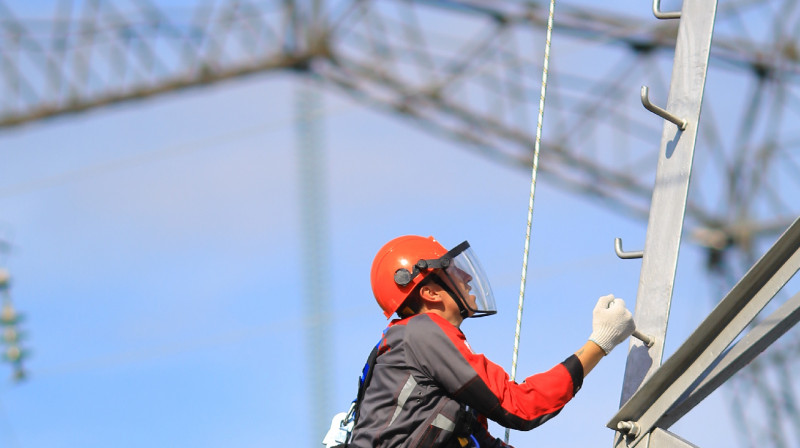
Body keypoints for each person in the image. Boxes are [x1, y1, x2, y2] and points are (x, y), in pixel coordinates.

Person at [347, 235, 636, 448]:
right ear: (430, 293)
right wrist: (600, 342)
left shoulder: (417, 348)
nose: (467, 276)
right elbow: (521, 406)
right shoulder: (422, 333)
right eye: (451, 270)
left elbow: (473, 437)